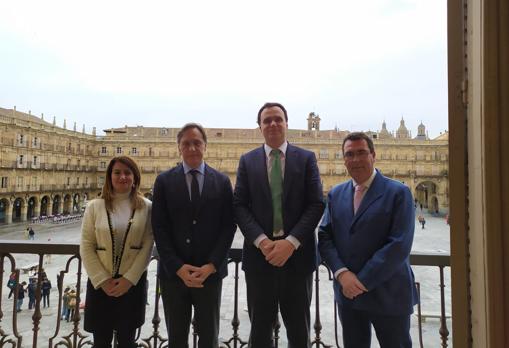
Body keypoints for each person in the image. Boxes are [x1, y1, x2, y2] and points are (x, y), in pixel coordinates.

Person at [233, 102, 324, 347]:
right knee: (260, 332)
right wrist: (262, 241)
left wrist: (291, 242)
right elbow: (239, 205)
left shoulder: (306, 158)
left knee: (298, 332)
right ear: (260, 127)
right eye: (267, 120)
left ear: (286, 123)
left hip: (297, 260)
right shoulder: (247, 161)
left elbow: (316, 203)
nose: (272, 124)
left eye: (278, 119)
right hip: (259, 259)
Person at [318, 132, 418, 348]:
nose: (355, 159)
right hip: (349, 295)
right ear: (343, 159)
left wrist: (361, 281)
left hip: (388, 293)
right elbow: (325, 236)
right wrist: (342, 274)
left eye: (361, 153)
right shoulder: (337, 194)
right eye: (349, 154)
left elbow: (399, 244)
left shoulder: (399, 193)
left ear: (373, 155)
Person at [152, 123, 236, 347]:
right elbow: (159, 228)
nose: (192, 148)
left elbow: (228, 226)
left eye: (196, 142)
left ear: (205, 146)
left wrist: (212, 265)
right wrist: (177, 267)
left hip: (209, 275)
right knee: (176, 339)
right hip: (173, 276)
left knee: (209, 338)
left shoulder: (222, 181)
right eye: (186, 143)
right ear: (178, 147)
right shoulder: (163, 181)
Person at [80, 156, 154, 348]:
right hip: (100, 285)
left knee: (127, 342)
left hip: (132, 286)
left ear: (135, 177)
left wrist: (129, 279)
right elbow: (86, 244)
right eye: (117, 172)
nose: (123, 177)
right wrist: (102, 280)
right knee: (101, 342)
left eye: (128, 172)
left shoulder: (146, 207)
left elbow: (148, 244)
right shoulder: (94, 207)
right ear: (109, 176)